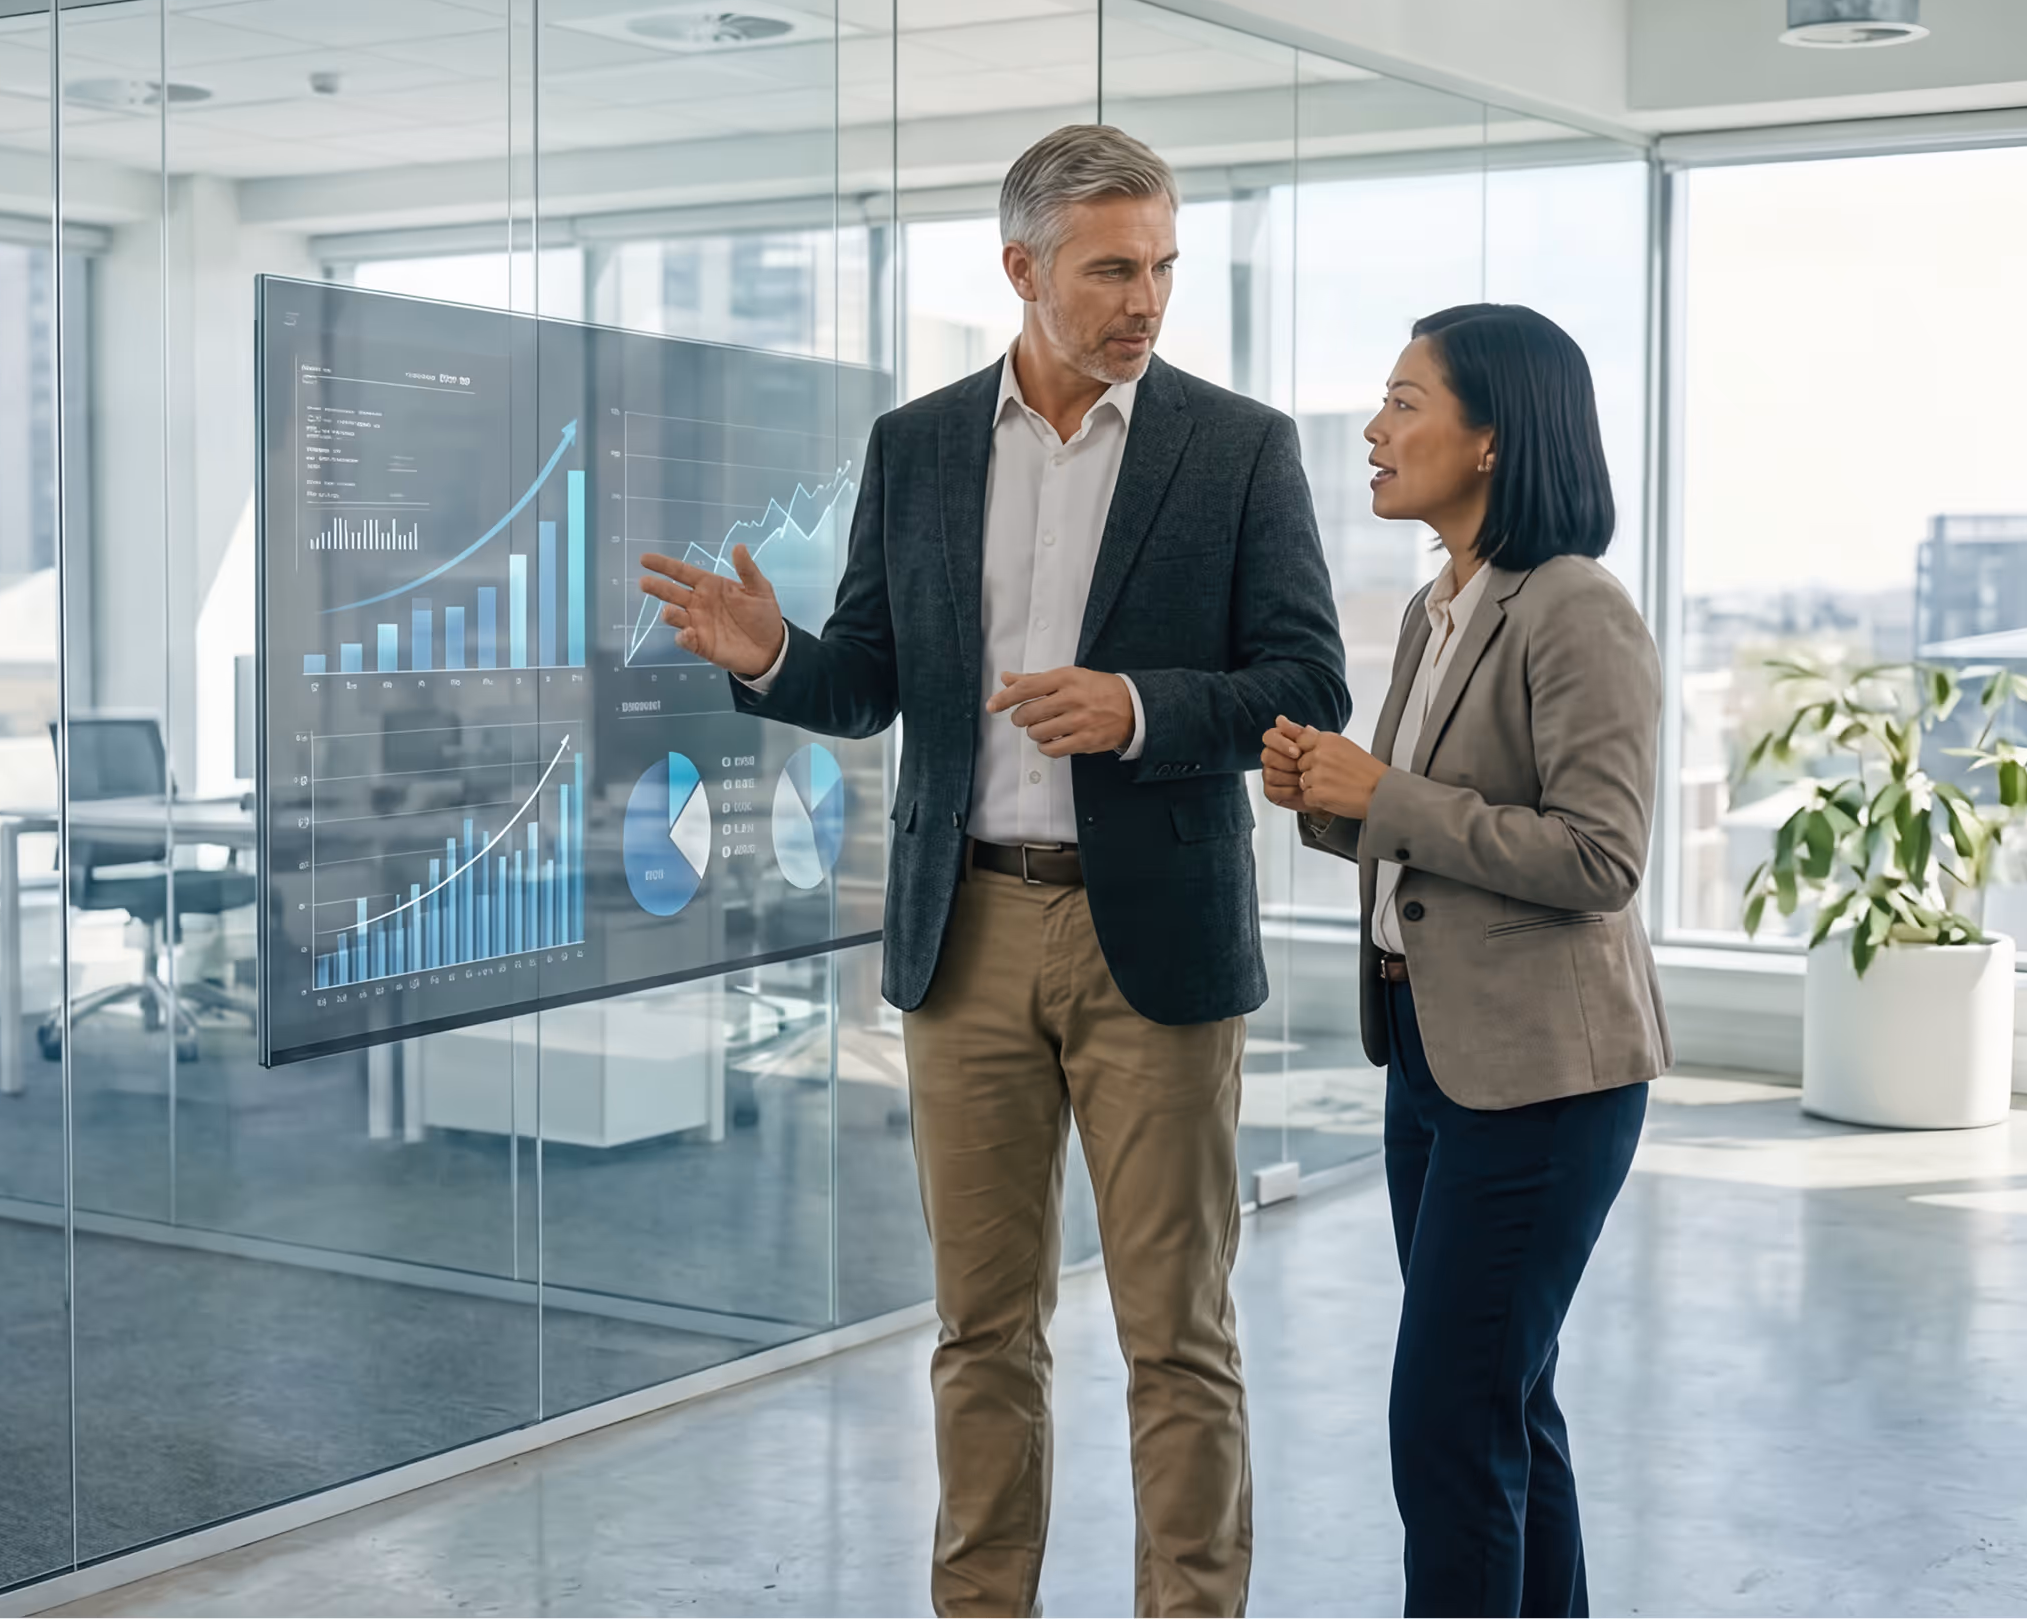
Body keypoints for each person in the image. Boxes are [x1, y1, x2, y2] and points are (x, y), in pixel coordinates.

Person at [640, 123, 1347, 1619]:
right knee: (981, 1327)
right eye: (1109, 270)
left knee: (1177, 1332)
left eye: (1160, 266)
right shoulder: (919, 445)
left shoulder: (1238, 447)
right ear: (1022, 268)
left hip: (1151, 941)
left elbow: (1306, 679)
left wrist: (1142, 706)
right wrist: (771, 652)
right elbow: (875, 679)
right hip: (964, 936)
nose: (1143, 300)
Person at [1259, 304, 1667, 1619]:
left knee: (1446, 1423)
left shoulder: (1575, 608)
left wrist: (1382, 791)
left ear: (1491, 439)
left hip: (1544, 1079)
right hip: (1431, 1054)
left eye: (1403, 402)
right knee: (1503, 1397)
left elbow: (1600, 858)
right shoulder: (1442, 610)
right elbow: (1422, 831)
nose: (1374, 431)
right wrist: (1325, 798)